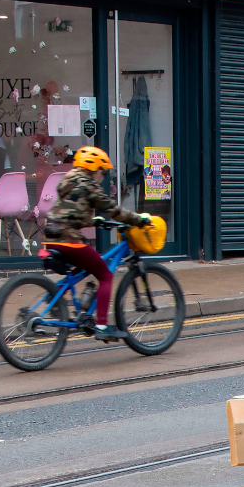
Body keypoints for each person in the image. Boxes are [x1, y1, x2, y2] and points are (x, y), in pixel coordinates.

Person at [43, 146, 153, 341]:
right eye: (102, 171)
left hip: (51, 238)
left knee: (84, 268)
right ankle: (101, 325)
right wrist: (138, 220)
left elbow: (69, 213)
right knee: (104, 275)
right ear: (95, 169)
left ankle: (56, 296)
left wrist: (95, 221)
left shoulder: (68, 181)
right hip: (69, 240)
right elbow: (114, 210)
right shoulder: (89, 185)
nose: (102, 176)